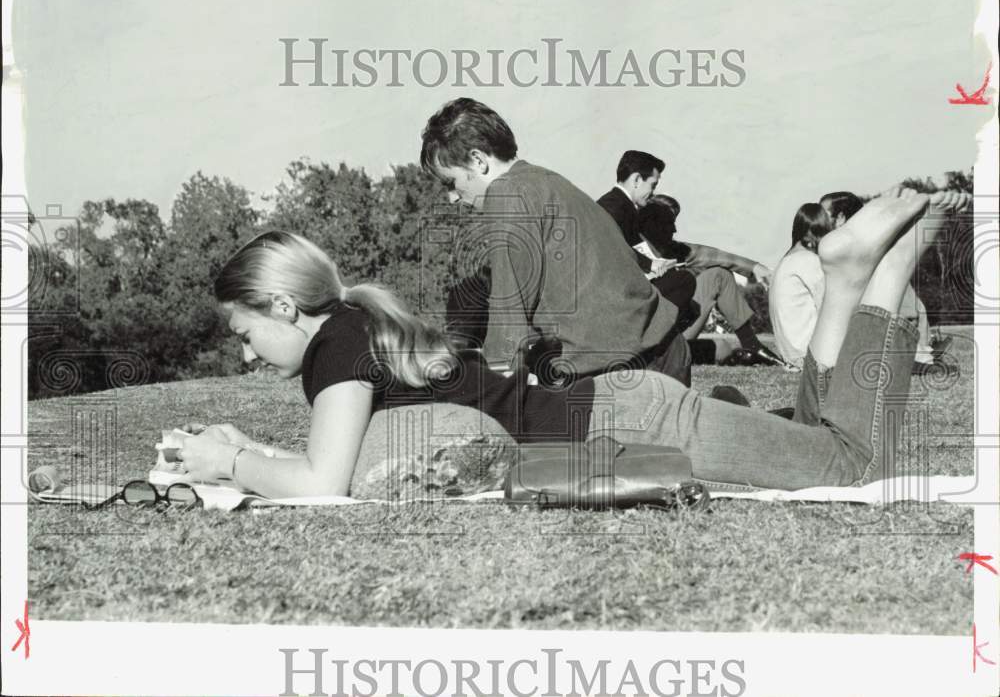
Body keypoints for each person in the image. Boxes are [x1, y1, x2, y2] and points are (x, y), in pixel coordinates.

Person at [176, 188, 970, 497]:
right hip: (619, 411)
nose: (247, 354)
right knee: (814, 439)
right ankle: (852, 279)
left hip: (623, 427)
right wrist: (246, 441)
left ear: (281, 305)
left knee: (850, 463)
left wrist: (232, 462)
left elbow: (322, 481)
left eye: (245, 332)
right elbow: (339, 455)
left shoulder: (333, 348)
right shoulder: (354, 329)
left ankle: (879, 275)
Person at [419, 98, 692, 387]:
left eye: (451, 182)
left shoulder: (506, 194)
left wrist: (489, 392)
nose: (452, 197)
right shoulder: (551, 182)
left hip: (629, 373)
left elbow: (508, 319)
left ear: (478, 160)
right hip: (666, 351)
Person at [637, 193, 788, 367]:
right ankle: (672, 354)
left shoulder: (674, 249)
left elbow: (713, 256)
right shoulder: (631, 249)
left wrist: (755, 267)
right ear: (652, 223)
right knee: (721, 350)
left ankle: (752, 345)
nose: (675, 230)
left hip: (674, 329)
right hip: (646, 335)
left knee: (719, 276)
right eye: (670, 223)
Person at [820, 190, 941, 372]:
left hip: (898, 353)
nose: (817, 222)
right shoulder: (872, 254)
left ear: (840, 218)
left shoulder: (861, 260)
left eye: (823, 216)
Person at [595, 152, 699, 323]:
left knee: (688, 301)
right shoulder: (615, 207)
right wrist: (652, 265)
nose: (652, 193)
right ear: (636, 180)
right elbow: (613, 250)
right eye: (652, 185)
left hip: (618, 286)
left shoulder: (618, 204)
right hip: (614, 294)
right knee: (685, 281)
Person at [768, 203, 834, 368]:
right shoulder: (808, 261)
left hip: (790, 354)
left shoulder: (785, 261)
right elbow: (829, 309)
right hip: (808, 354)